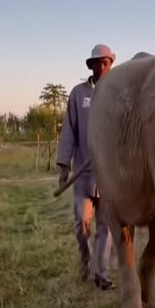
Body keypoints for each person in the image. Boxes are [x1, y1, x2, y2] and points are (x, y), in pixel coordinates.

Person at [55, 44, 116, 290]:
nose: (102, 66)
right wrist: (63, 166)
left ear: (110, 64)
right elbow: (69, 130)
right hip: (83, 174)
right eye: (97, 62)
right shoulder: (79, 94)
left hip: (110, 176)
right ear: (90, 66)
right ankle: (86, 260)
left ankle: (102, 273)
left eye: (106, 62)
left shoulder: (117, 93)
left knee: (106, 226)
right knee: (82, 223)